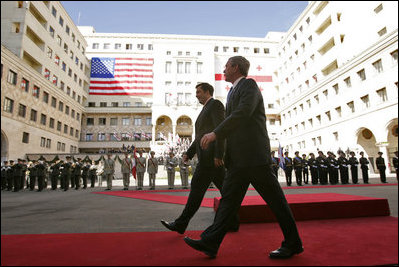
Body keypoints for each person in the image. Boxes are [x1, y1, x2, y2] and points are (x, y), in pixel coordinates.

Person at [184, 56, 303, 259]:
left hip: (254, 157)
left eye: (226, 66)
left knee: (276, 202)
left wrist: (216, 134)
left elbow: (242, 113)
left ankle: (293, 243)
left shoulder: (249, 85)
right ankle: (211, 242)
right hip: (239, 161)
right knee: (228, 202)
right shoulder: (233, 92)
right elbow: (234, 123)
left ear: (235, 67)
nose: (223, 69)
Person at [161, 82, 239, 235]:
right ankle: (233, 222)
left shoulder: (215, 105)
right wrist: (189, 153)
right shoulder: (204, 109)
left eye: (198, 92)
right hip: (208, 158)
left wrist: (218, 154)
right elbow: (200, 137)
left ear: (207, 92)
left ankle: (181, 224)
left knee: (196, 192)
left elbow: (220, 129)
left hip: (210, 159)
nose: (196, 94)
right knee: (227, 192)